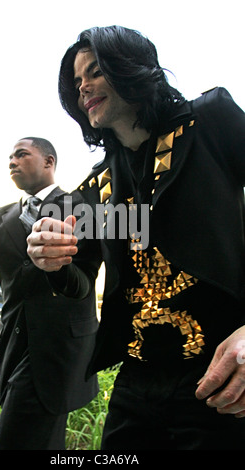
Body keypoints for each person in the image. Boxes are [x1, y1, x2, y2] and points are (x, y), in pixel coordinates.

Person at [27, 26, 245, 450]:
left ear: (131, 68)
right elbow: (79, 279)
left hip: (223, 379)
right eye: (75, 82)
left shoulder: (210, 121)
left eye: (95, 71)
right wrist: (51, 263)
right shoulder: (96, 187)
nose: (83, 87)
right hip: (135, 385)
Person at [0, 137, 99, 450]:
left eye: (22, 154)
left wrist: (58, 265)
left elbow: (85, 278)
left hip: (59, 350)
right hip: (14, 349)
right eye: (10, 158)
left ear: (49, 162)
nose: (12, 162)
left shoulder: (83, 207)